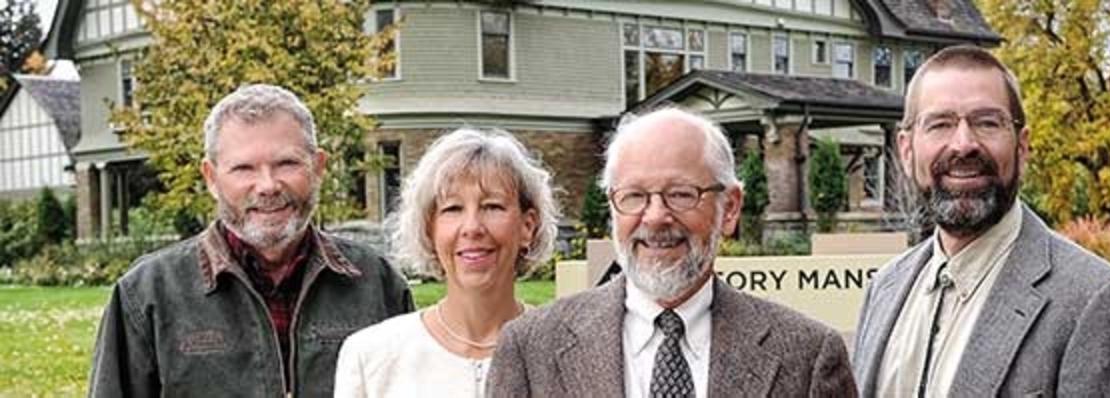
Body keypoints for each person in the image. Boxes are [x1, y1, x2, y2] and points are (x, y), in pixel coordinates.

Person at [851, 45, 1110, 397]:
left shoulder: (1096, 302)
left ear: (1022, 147)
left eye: (987, 123)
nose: (963, 144)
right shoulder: (885, 287)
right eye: (940, 124)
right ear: (906, 151)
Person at [486, 108, 857, 397]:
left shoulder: (807, 357)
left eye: (681, 194)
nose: (657, 216)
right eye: (634, 196)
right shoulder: (530, 349)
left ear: (729, 208)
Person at [87, 84, 415, 397]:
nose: (268, 185)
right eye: (244, 168)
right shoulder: (147, 294)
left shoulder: (377, 284)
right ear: (211, 178)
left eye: (287, 163)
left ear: (318, 168)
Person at [333, 127, 560, 397]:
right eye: (452, 209)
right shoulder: (370, 357)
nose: (472, 228)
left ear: (527, 226)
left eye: (492, 206)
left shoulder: (565, 354)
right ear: (429, 229)